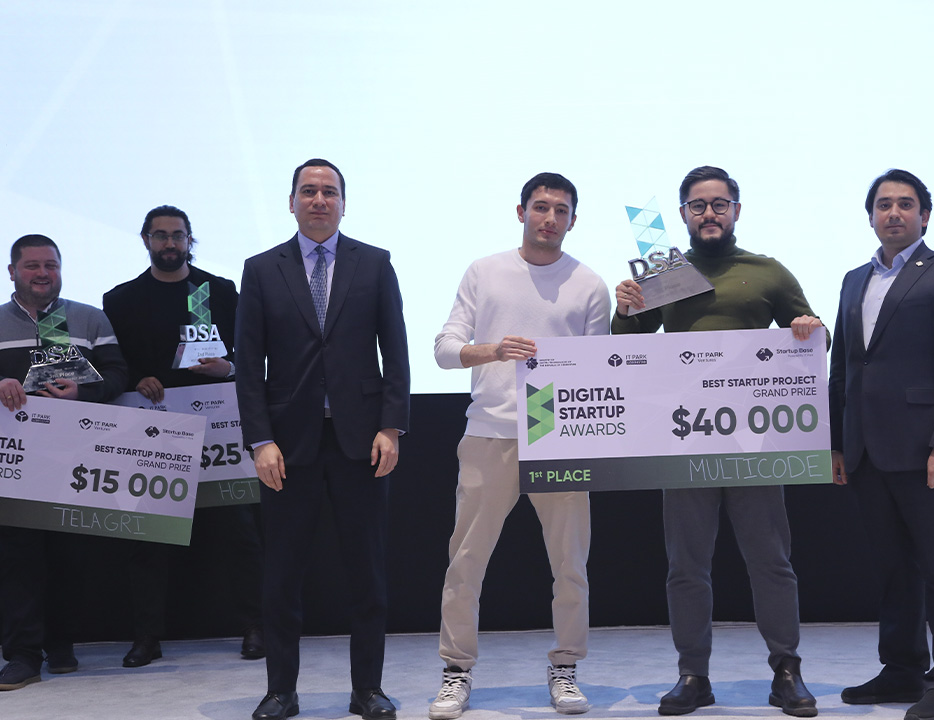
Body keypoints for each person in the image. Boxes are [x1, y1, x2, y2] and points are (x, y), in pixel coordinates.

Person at [613, 166, 823, 717]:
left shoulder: (767, 271)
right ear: (684, 213)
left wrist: (808, 328)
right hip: (684, 440)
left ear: (736, 210)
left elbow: (809, 337)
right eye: (698, 205)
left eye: (719, 204)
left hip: (756, 441)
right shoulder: (664, 274)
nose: (710, 213)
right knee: (686, 565)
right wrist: (627, 307)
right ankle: (693, 675)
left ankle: (787, 671)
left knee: (771, 561)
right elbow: (625, 349)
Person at [429, 173, 609, 720]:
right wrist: (492, 351)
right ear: (521, 211)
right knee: (466, 561)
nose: (549, 218)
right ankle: (456, 670)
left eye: (561, 210)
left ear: (573, 219)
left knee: (570, 564)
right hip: (490, 431)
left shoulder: (589, 284)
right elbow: (444, 349)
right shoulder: (484, 272)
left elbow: (600, 368)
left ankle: (566, 666)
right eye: (540, 207)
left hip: (559, 437)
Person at [235, 159, 410, 720]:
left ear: (343, 203)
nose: (318, 200)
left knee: (368, 576)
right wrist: (260, 440)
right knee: (282, 576)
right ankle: (280, 692)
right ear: (291, 202)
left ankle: (368, 690)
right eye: (308, 191)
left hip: (362, 443)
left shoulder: (374, 263)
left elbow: (396, 351)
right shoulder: (261, 269)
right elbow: (248, 365)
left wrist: (391, 425)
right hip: (288, 446)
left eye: (329, 192)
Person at [829, 169, 934, 720]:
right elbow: (845, 366)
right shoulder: (854, 280)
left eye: (906, 204)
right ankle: (901, 670)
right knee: (893, 569)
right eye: (884, 204)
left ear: (925, 216)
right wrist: (838, 443)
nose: (893, 212)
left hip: (925, 452)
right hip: (866, 451)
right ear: (871, 216)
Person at [102, 205, 264, 668]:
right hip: (151, 430)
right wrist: (136, 377)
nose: (170, 243)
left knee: (240, 532)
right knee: (147, 538)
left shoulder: (221, 291)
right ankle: (146, 637)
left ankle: (255, 627)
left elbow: (254, 352)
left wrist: (228, 366)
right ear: (146, 240)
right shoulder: (120, 300)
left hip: (219, 429)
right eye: (161, 235)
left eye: (178, 235)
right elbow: (112, 363)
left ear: (190, 240)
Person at [0, 235, 128, 690]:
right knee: (18, 559)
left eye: (50, 265)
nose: (42, 273)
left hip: (76, 460)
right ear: (12, 271)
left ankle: (61, 645)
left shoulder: (89, 318)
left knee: (71, 558)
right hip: (16, 465)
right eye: (32, 265)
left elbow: (119, 374)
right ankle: (22, 656)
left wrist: (83, 391)